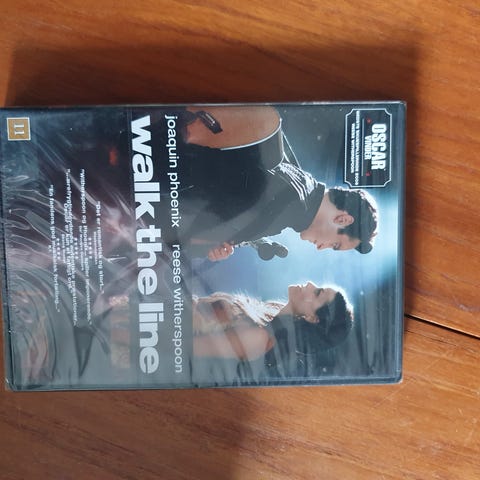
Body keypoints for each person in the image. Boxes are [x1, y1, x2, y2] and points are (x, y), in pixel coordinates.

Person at [169, 107, 379, 261]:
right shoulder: (285, 211)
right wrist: (204, 248)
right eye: (335, 244)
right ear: (343, 219)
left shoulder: (293, 170)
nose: (321, 248)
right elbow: (180, 240)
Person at [193, 282, 354, 370]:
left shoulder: (259, 339)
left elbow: (187, 347)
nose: (310, 284)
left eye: (317, 292)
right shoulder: (269, 312)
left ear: (312, 318)